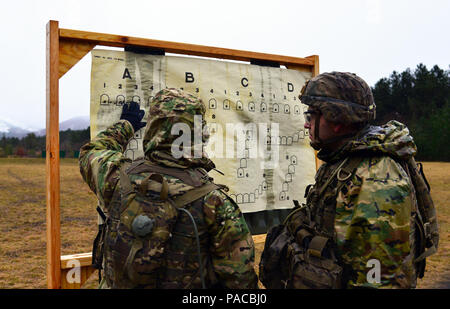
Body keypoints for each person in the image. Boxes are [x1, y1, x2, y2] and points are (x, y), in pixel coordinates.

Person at [259, 71, 438, 289]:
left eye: (312, 116)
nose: (307, 125)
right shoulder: (344, 159)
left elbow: (379, 278)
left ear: (336, 119)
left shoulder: (375, 177)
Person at [79, 88, 258, 289]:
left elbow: (93, 152)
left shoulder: (115, 177)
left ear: (153, 128)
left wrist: (126, 125)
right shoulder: (215, 202)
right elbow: (241, 281)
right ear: (200, 133)